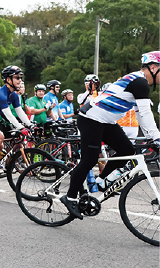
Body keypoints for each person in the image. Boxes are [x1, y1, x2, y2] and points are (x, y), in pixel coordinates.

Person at [59, 52, 160, 220]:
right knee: (89, 160)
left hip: (106, 121)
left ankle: (102, 182)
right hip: (90, 119)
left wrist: (153, 136)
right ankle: (69, 197)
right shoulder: (140, 81)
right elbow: (145, 113)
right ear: (154, 67)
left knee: (127, 150)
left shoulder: (141, 82)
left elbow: (140, 114)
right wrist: (157, 138)